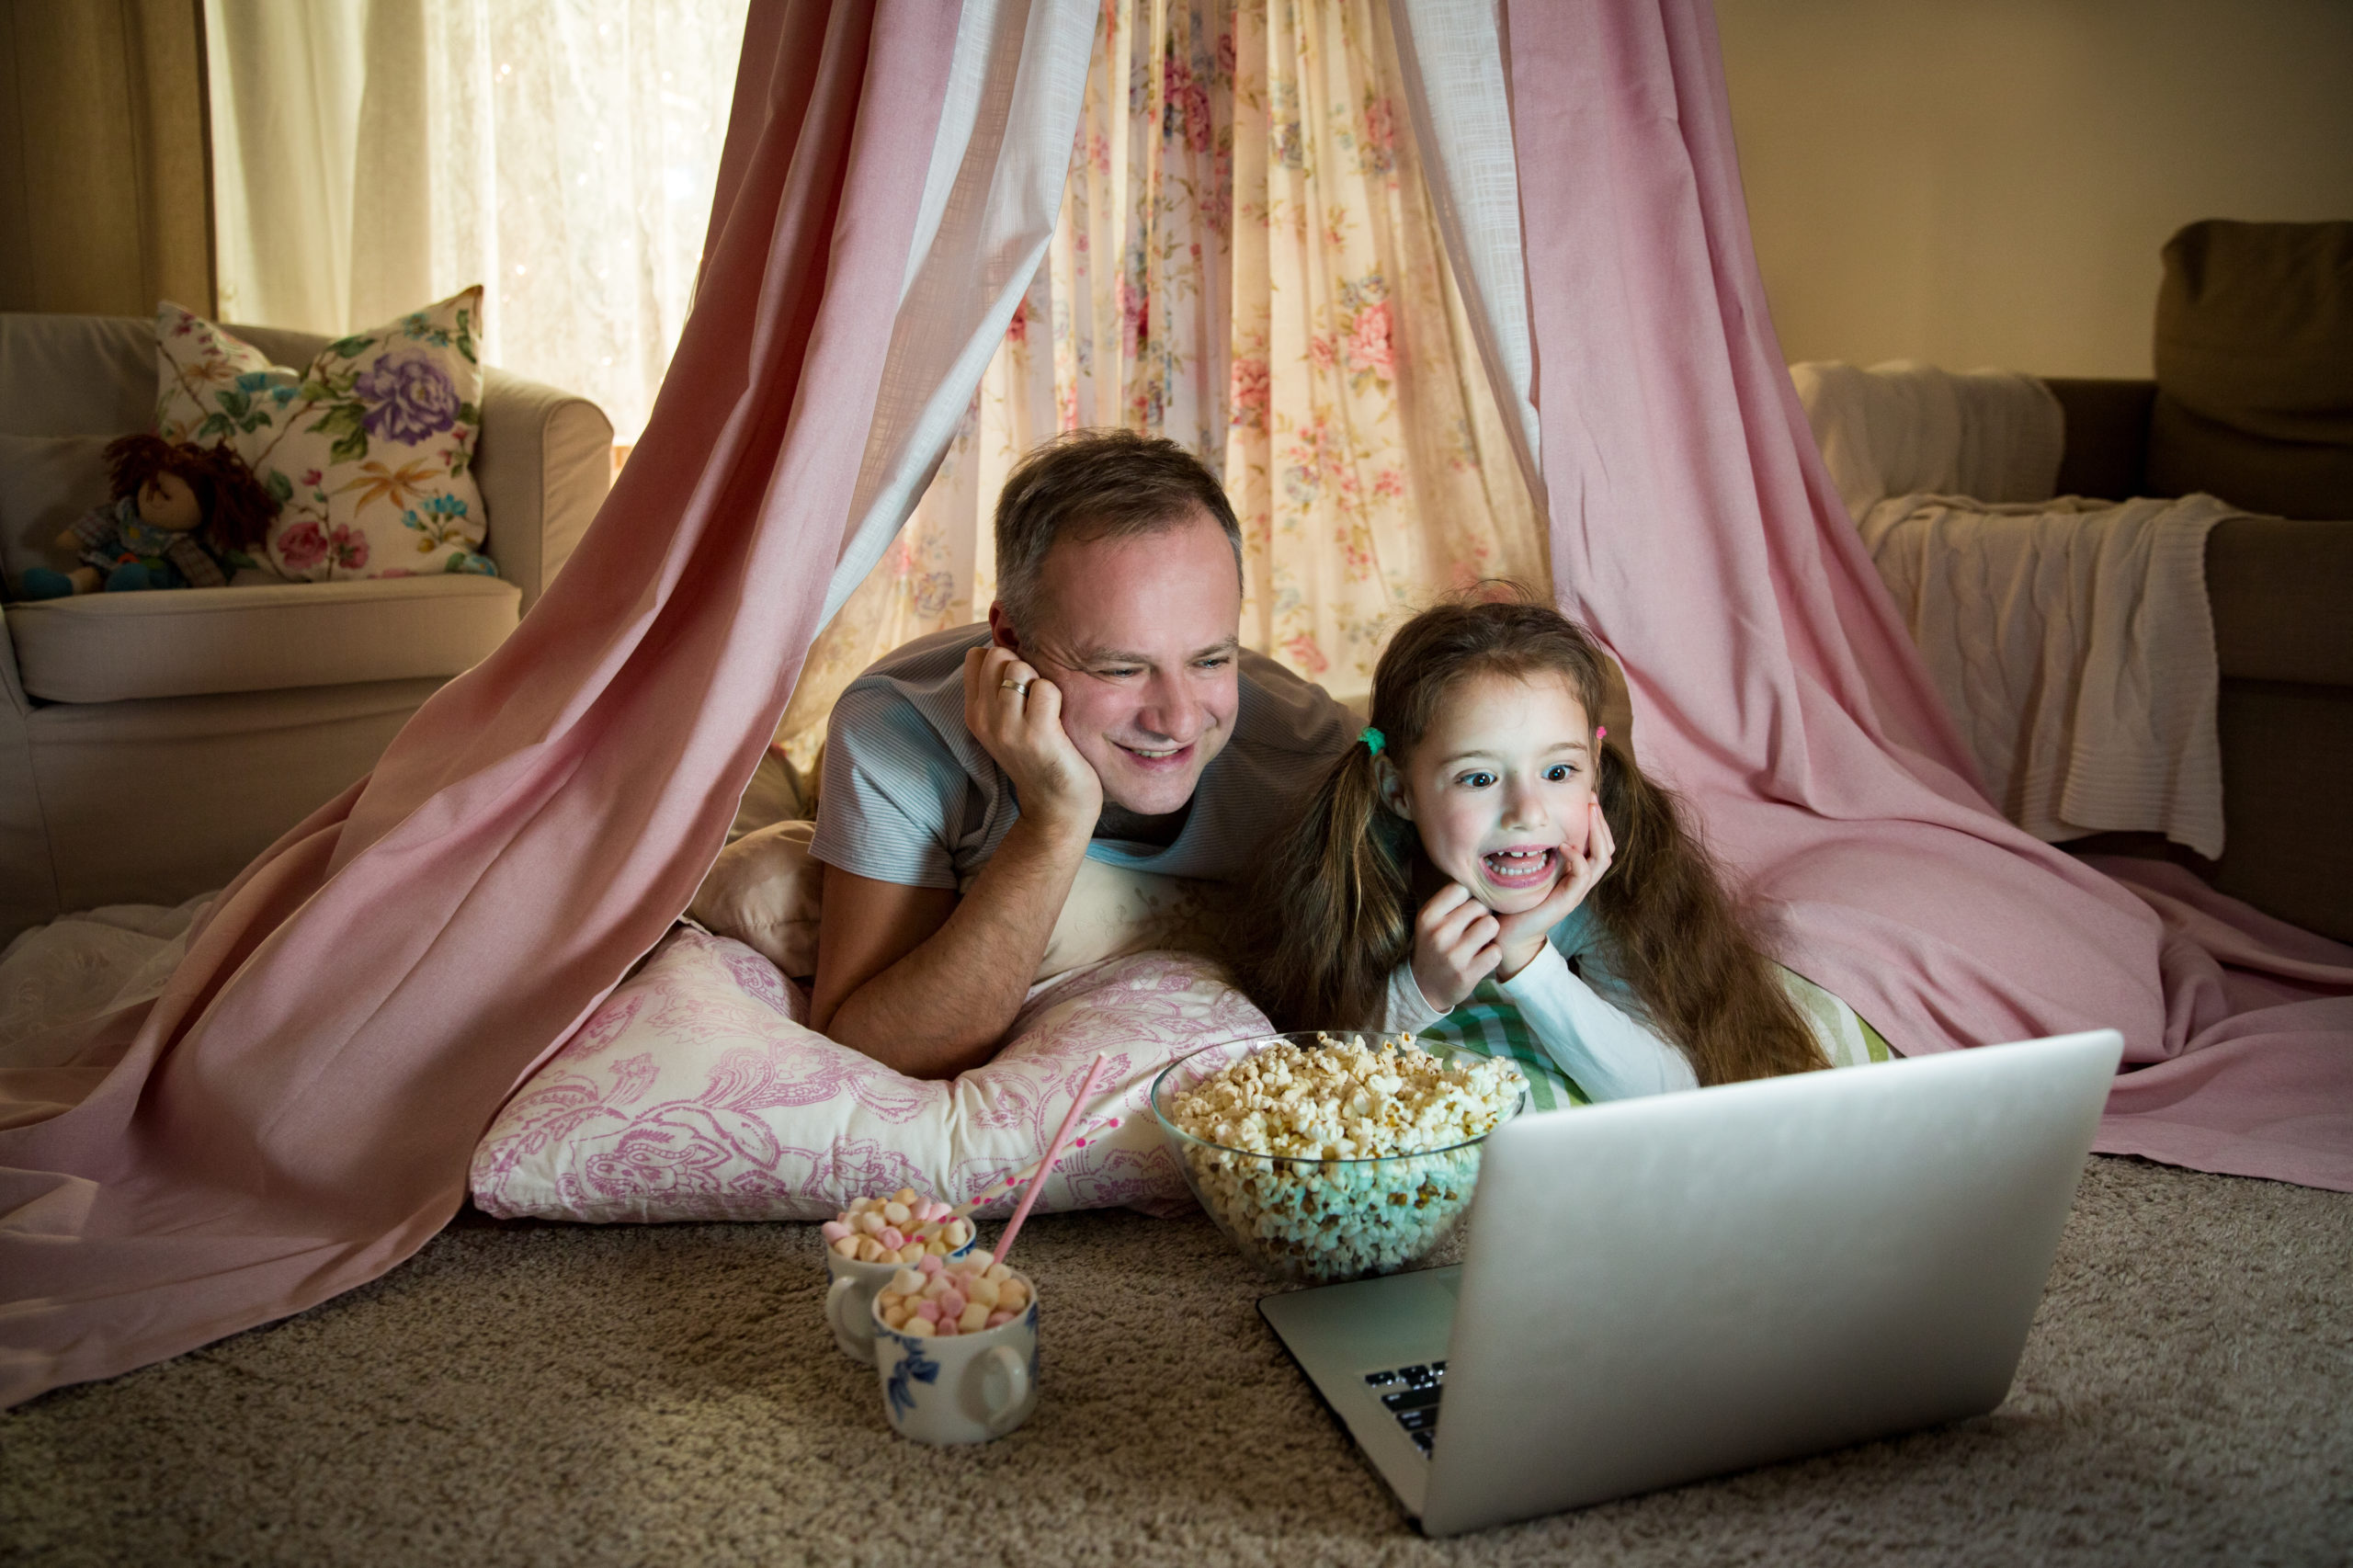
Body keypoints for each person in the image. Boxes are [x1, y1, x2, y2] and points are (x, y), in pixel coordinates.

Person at [808, 429, 1354, 1077]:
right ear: (1011, 639)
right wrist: (1055, 820)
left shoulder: (1310, 758)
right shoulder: (896, 732)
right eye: (1122, 669)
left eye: (1211, 659)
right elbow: (878, 1051)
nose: (1178, 719)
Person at [1238, 593, 1827, 1099]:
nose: (1527, 813)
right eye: (1479, 778)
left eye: (1559, 772)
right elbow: (1318, 1087)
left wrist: (1528, 958)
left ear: (1595, 765)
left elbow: (1665, 1091)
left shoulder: (1612, 892)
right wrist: (1421, 991)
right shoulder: (1361, 883)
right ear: (1398, 790)